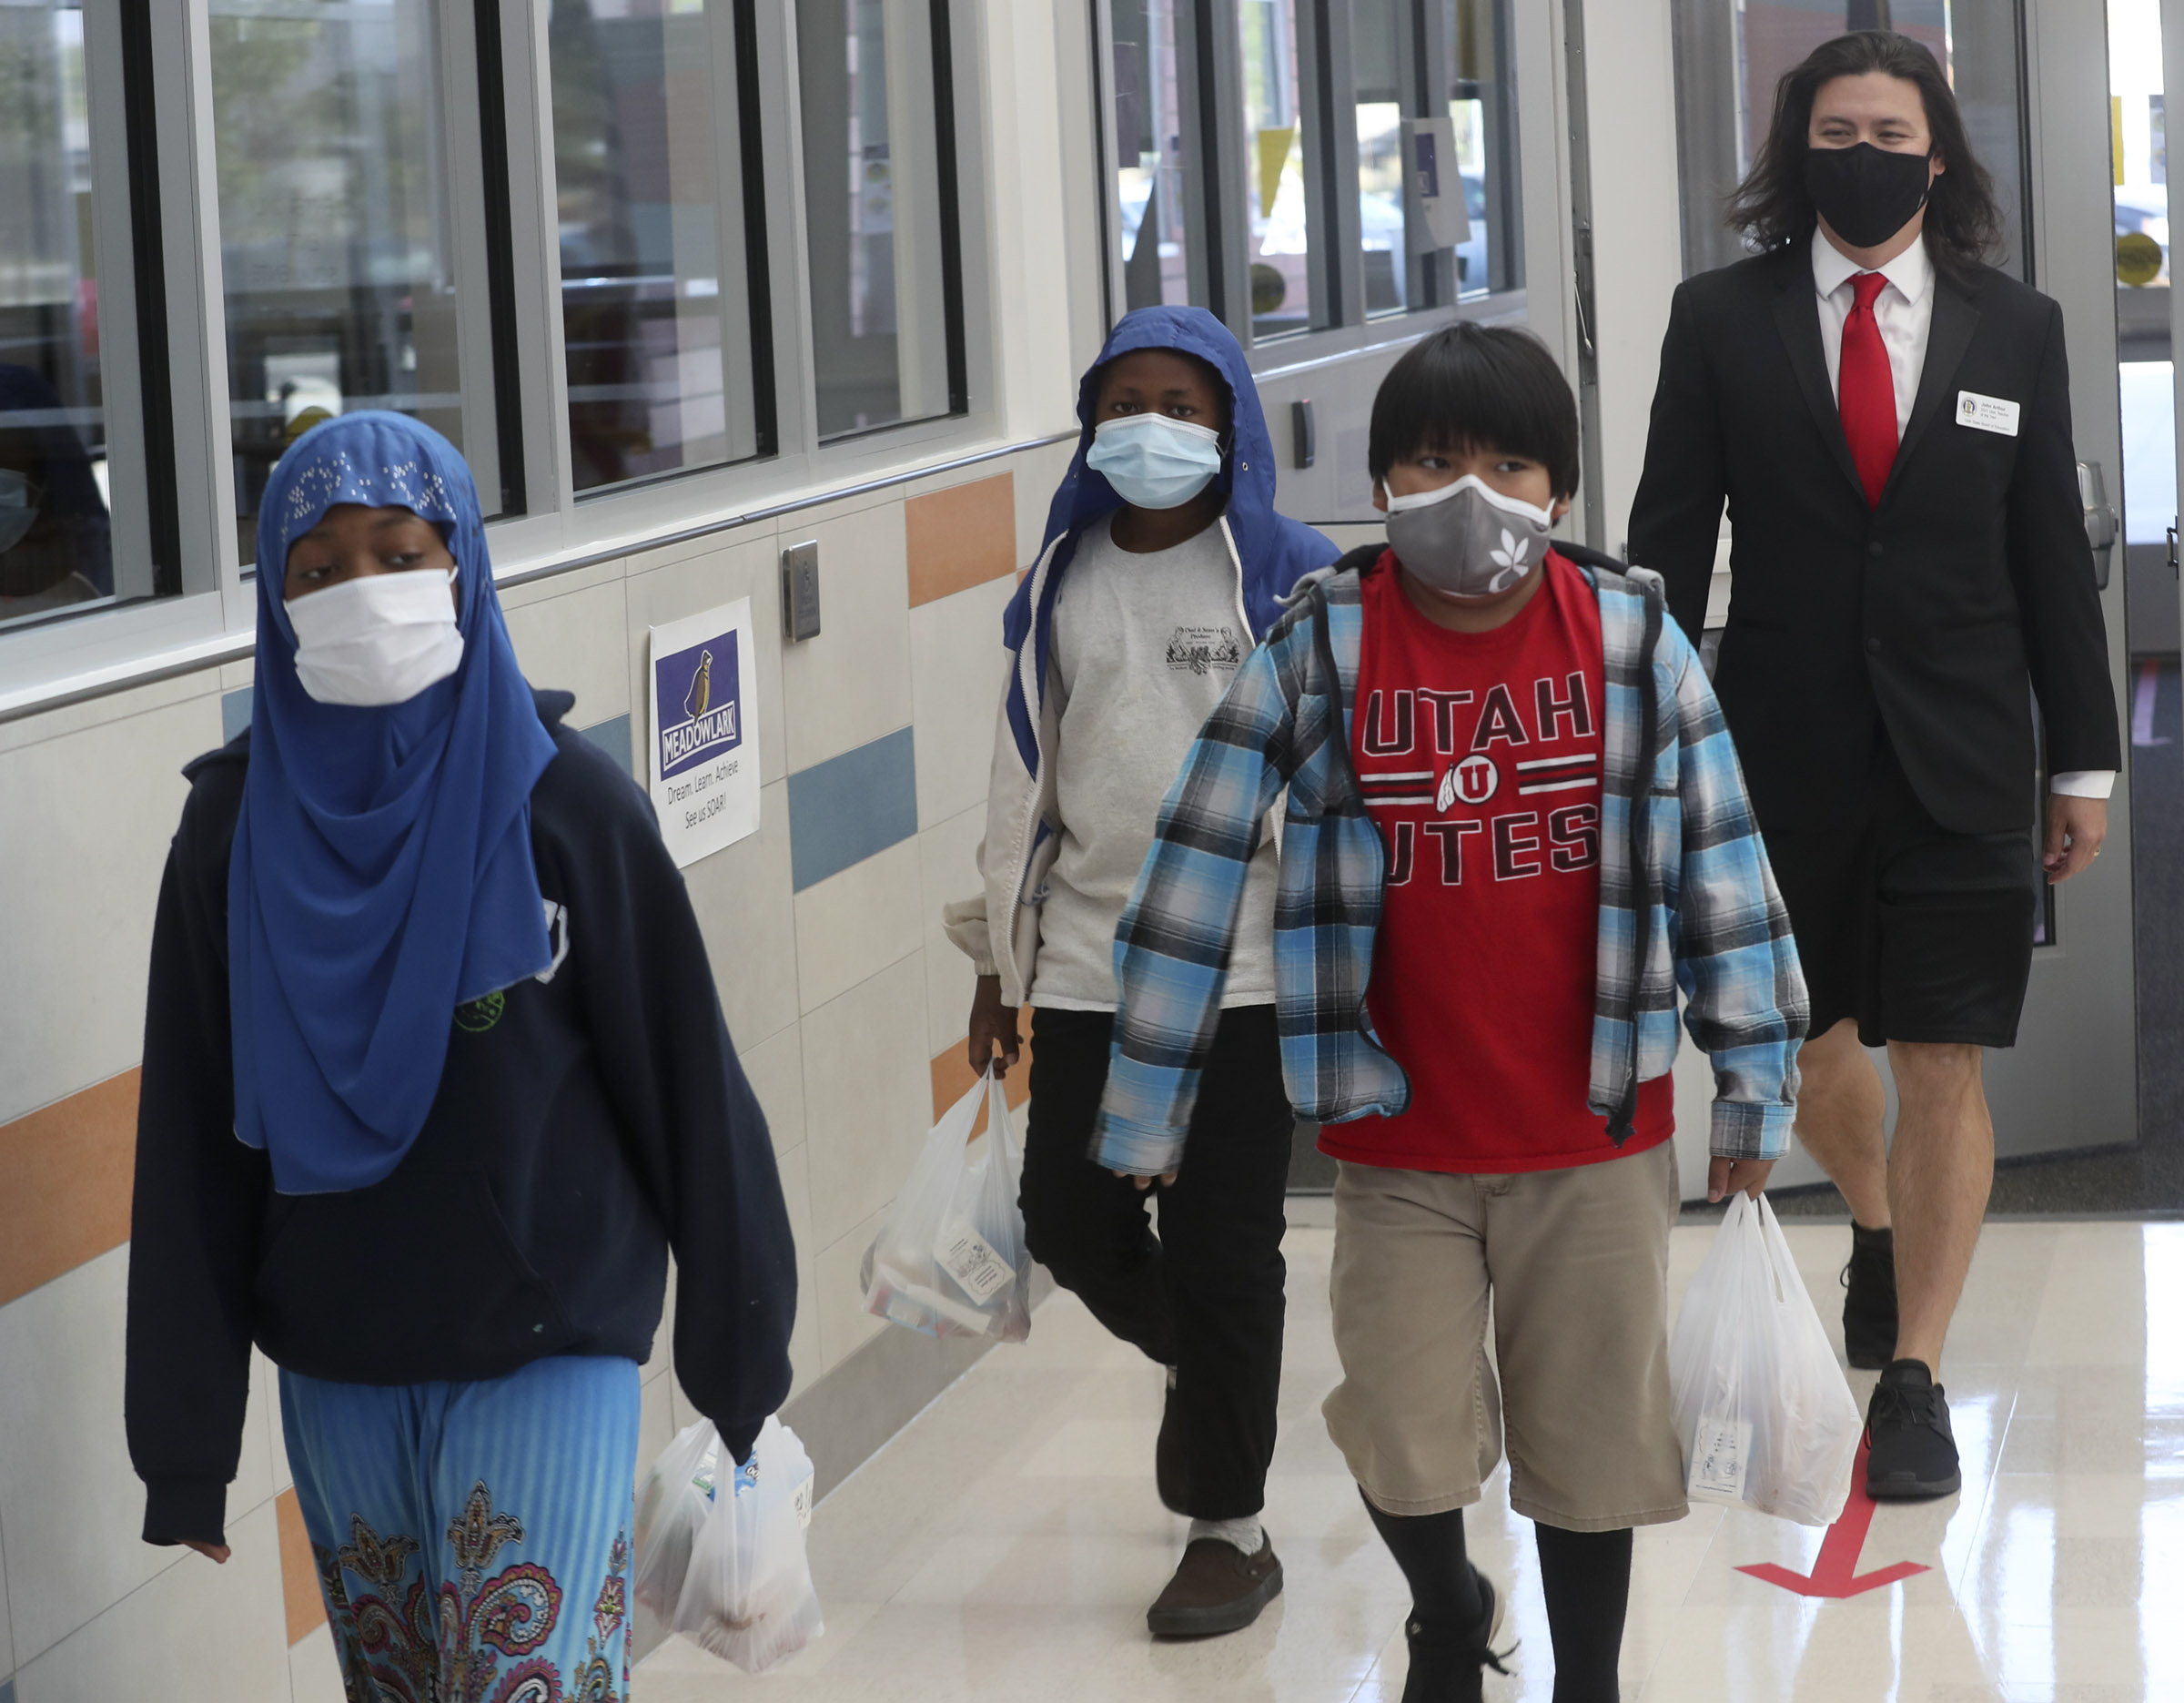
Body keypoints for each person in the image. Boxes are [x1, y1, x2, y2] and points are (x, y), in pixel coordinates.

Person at [1093, 321, 1805, 1701]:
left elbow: (1722, 862)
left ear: (1560, 488)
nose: (1468, 489)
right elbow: (1192, 865)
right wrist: (1144, 1112)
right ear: (1381, 480)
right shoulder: (1325, 643)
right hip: (1395, 1136)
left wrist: (1753, 1078)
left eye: (1508, 461)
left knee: (1592, 1447)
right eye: (1431, 459)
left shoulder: (1628, 637)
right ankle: (1445, 1601)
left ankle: (1586, 1681)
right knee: (1403, 1440)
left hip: (1591, 1130)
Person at [124, 411, 797, 1698]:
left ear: (464, 565)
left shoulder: (565, 806)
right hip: (335, 1352)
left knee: (520, 1683)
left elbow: (688, 1086)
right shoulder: (227, 835)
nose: (360, 592)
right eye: (316, 571)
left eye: (396, 552)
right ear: (274, 601)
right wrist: (185, 1443)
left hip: (549, 1335)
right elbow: (192, 1150)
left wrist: (738, 1350)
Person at [1626, 30, 2122, 1499]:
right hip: (1777, 745)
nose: (1865, 151)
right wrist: (1651, 737)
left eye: (1890, 129)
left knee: (1944, 1054)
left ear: (1938, 153)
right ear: (1798, 153)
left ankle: (1915, 1373)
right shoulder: (1718, 317)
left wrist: (2081, 763)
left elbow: (2049, 556)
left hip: (1966, 746)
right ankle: (1871, 1214)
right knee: (1815, 1046)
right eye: (1836, 128)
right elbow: (1667, 539)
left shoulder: (2012, 325)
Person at [942, 305, 1338, 1637]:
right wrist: (997, 962)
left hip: (1241, 971)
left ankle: (1228, 1526)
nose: (1152, 427)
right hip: (1088, 963)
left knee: (1227, 1248)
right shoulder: (1060, 576)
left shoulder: (1289, 576)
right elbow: (1022, 785)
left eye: (1183, 403)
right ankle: (1209, 1369)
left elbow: (1338, 789)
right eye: (1125, 403)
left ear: (1230, 423)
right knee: (1070, 1222)